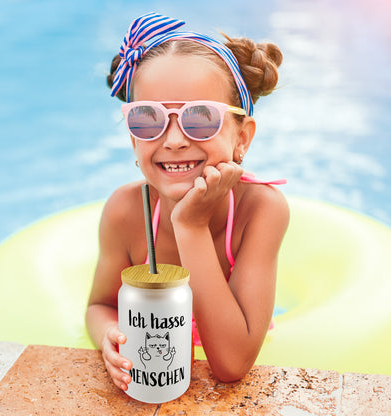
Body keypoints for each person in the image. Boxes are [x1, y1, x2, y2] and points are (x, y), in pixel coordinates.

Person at [86, 12, 289, 391]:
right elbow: (99, 305)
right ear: (133, 139)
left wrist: (190, 225)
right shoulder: (126, 211)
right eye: (148, 119)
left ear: (242, 138)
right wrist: (109, 334)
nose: (175, 139)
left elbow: (231, 365)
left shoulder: (260, 210)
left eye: (200, 118)